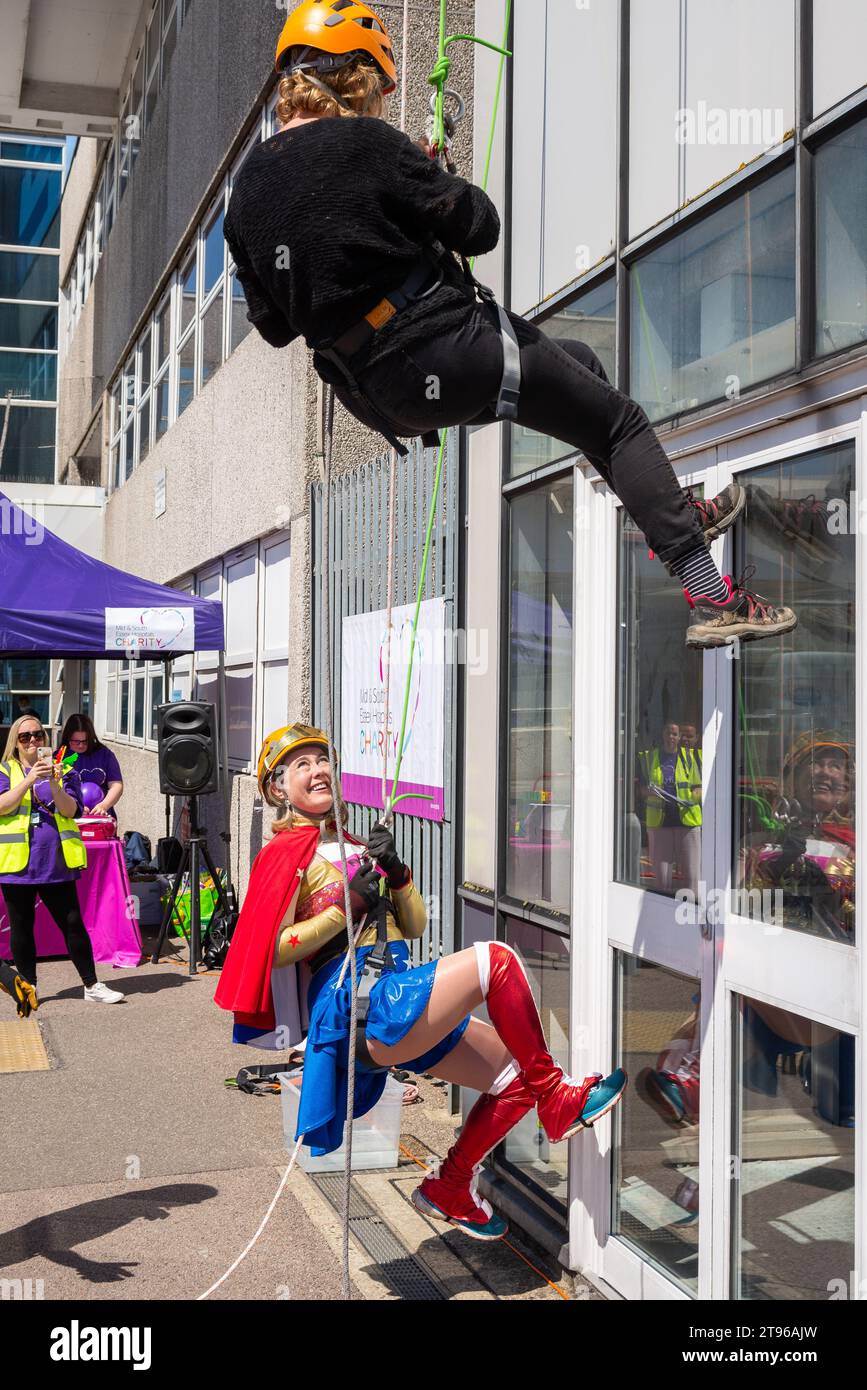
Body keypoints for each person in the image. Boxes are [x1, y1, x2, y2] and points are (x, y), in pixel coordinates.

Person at [222, 0, 797, 651]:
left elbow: (273, 327)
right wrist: (426, 176)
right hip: (447, 350)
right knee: (620, 422)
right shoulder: (367, 143)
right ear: (354, 76)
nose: (381, 101)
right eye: (378, 86)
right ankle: (713, 597)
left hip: (381, 396)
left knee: (579, 364)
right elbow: (479, 226)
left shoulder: (244, 197)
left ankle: (670, 515)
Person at [215, 723, 627, 1241]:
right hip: (350, 1006)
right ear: (277, 787)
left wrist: (397, 875)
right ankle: (559, 1101)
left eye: (323, 760)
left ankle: (451, 1185)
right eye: (301, 765)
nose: (318, 770)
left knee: (516, 1077)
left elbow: (413, 927)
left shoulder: (357, 846)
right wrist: (349, 907)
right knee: (496, 962)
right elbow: (270, 950)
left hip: (393, 993)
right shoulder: (281, 854)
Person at [0, 715, 123, 1004]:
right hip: (17, 864)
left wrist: (54, 783)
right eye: (25, 737)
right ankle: (28, 987)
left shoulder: (63, 770)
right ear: (15, 743)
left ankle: (91, 985)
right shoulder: (5, 770)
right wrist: (29, 779)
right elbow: (2, 806)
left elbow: (70, 811)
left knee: (72, 924)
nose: (33, 741)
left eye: (38, 735)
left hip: (54, 860)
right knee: (21, 927)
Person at [636, 722, 702, 896]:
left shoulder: (692, 757)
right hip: (660, 824)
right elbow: (641, 790)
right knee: (661, 880)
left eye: (675, 734)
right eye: (668, 733)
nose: (671, 737)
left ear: (679, 737)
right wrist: (649, 791)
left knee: (691, 877)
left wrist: (692, 796)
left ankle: (690, 915)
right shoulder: (649, 757)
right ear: (663, 735)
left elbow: (700, 787)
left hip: (687, 821)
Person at [58, 713, 124, 822]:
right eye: (76, 741)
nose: (81, 745)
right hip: (71, 818)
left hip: (101, 817)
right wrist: (75, 807)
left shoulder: (105, 754)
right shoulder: (59, 757)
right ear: (67, 738)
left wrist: (104, 805)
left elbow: (116, 785)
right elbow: (54, 789)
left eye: (85, 741)